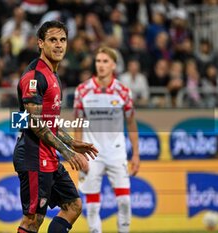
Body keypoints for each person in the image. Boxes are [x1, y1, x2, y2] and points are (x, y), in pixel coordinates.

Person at [13, 20, 98, 233]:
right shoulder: (34, 76)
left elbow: (48, 121)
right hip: (33, 155)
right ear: (41, 43)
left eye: (63, 40)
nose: (59, 45)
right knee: (32, 220)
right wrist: (67, 151)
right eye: (52, 40)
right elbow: (33, 122)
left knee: (73, 205)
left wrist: (71, 141)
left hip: (48, 155)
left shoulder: (53, 75)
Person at [74, 46, 140, 233]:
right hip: (91, 153)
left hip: (117, 152)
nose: (100, 65)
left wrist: (135, 155)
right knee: (93, 205)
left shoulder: (123, 91)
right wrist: (80, 154)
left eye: (105, 61)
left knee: (125, 201)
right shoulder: (82, 90)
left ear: (113, 65)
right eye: (98, 61)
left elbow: (132, 124)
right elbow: (78, 124)